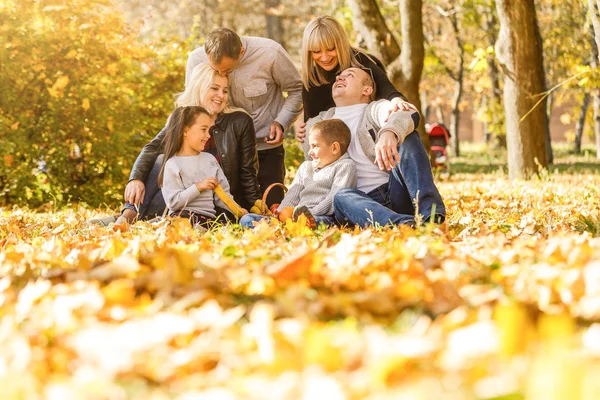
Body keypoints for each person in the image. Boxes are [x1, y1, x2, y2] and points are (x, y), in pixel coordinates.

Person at [90, 63, 262, 226]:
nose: (221, 96)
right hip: (182, 195)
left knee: (171, 172)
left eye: (225, 91)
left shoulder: (239, 121)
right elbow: (152, 148)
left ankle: (126, 218)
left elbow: (247, 171)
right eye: (214, 88)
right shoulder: (182, 118)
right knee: (161, 161)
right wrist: (136, 178)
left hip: (212, 197)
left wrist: (255, 205)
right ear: (199, 87)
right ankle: (129, 214)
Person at [300, 67, 445, 228]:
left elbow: (407, 113)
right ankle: (402, 224)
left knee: (407, 137)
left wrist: (389, 132)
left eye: (349, 76)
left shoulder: (375, 109)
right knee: (340, 196)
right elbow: (314, 169)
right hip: (355, 203)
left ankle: (431, 215)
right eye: (339, 77)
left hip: (393, 192)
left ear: (367, 89)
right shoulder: (319, 123)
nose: (340, 78)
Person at [186, 28, 303, 205]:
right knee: (230, 211)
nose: (223, 75)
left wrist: (281, 122)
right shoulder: (196, 59)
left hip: (265, 148)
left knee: (272, 207)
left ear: (241, 52)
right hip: (221, 154)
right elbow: (191, 105)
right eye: (216, 70)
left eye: (227, 69)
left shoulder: (270, 53)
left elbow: (298, 90)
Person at [297, 15, 415, 135]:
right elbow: (312, 123)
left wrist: (396, 100)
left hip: (372, 136)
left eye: (331, 49)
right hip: (338, 142)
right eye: (317, 51)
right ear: (309, 52)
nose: (325, 57)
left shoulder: (361, 62)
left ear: (341, 44)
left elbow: (389, 92)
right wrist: (305, 132)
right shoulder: (312, 80)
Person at [240, 119, 357, 229]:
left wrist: (309, 214)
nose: (310, 152)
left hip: (323, 216)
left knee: (320, 222)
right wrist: (279, 213)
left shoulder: (345, 166)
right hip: (296, 216)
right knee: (246, 219)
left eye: (315, 146)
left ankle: (297, 226)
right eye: (310, 146)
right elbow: (292, 195)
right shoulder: (306, 167)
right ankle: (282, 227)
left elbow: (333, 200)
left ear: (335, 148)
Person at [159, 106, 242, 228]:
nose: (208, 135)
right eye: (204, 129)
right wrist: (198, 187)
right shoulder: (173, 164)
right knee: (181, 221)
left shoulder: (209, 160)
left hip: (209, 219)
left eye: (209, 130)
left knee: (228, 226)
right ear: (185, 130)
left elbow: (223, 196)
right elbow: (173, 203)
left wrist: (238, 211)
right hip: (183, 217)